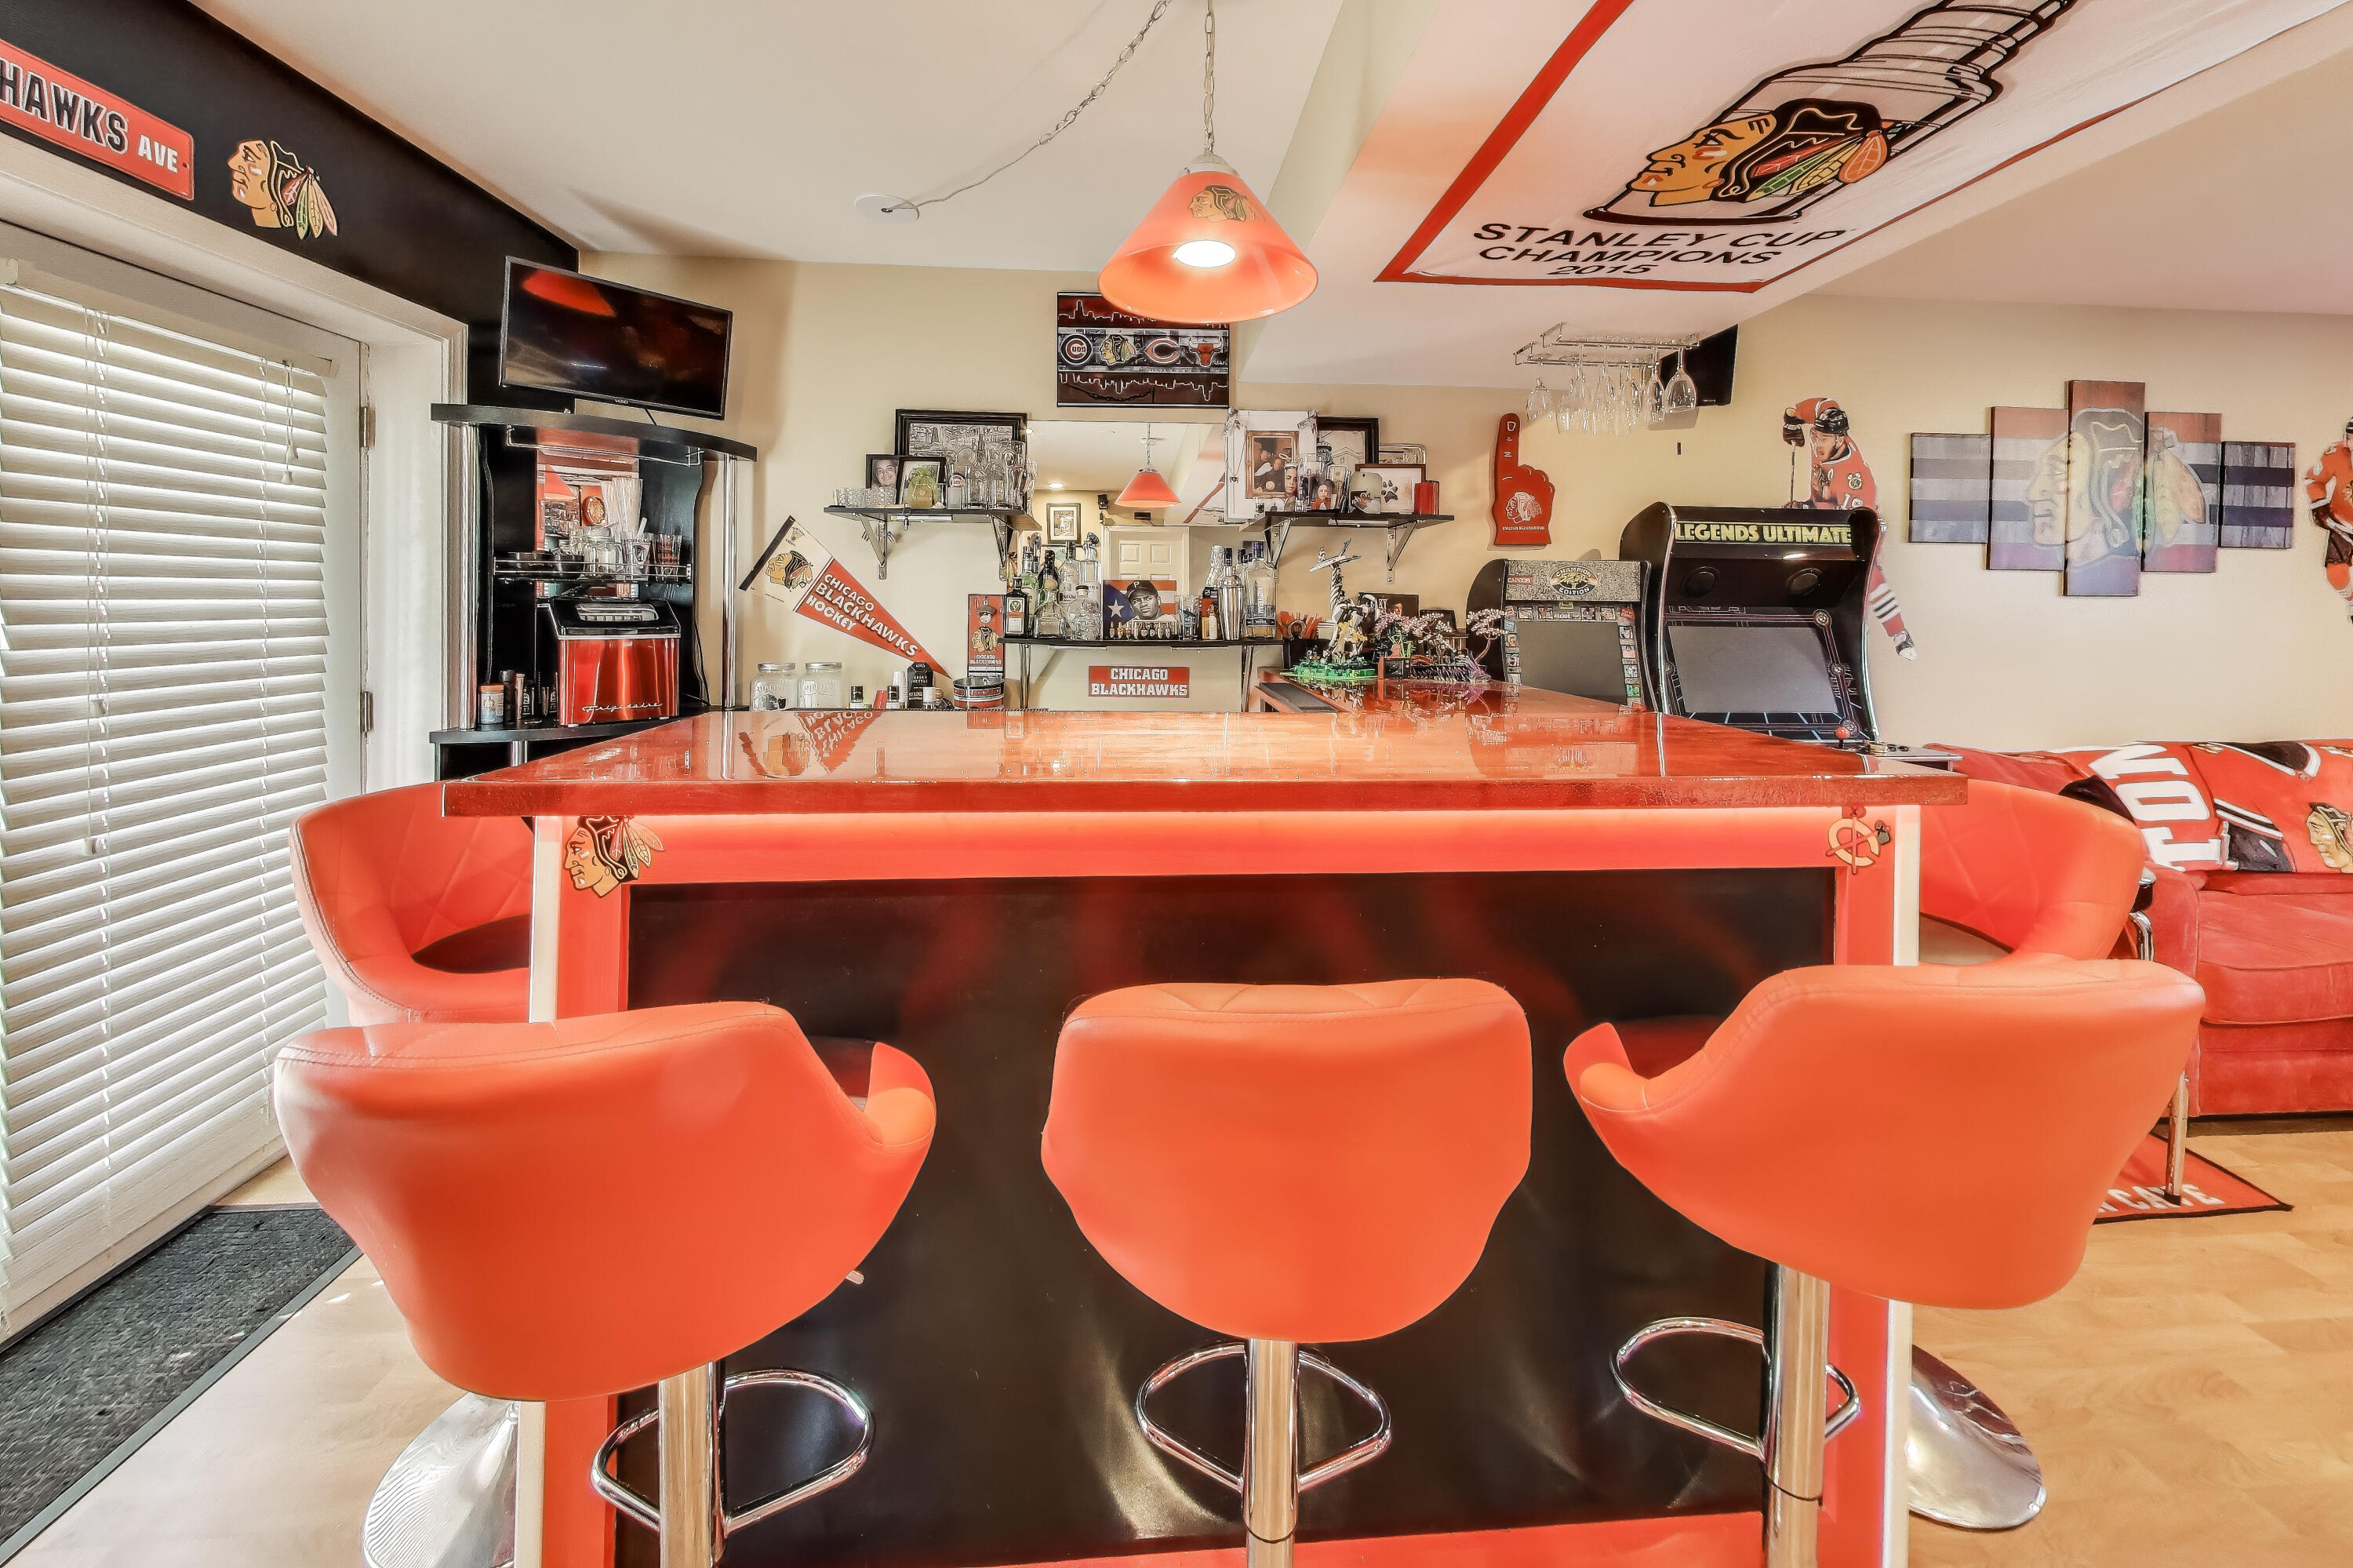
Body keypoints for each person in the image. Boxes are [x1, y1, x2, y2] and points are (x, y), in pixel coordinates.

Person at [1783, 396, 1915, 659]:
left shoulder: (1856, 480)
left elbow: (1841, 521)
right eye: (1815, 436)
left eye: (1823, 439)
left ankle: (1899, 633)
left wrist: (1806, 510)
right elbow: (1823, 403)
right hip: (1827, 515)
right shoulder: (1825, 430)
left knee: (1867, 578)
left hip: (1860, 527)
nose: (1817, 444)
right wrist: (1792, 419)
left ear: (1840, 440)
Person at [2306, 418, 2353, 617]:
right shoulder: (2335, 454)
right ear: (2347, 440)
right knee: (2336, 573)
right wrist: (2320, 507)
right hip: (2342, 523)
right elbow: (2313, 480)